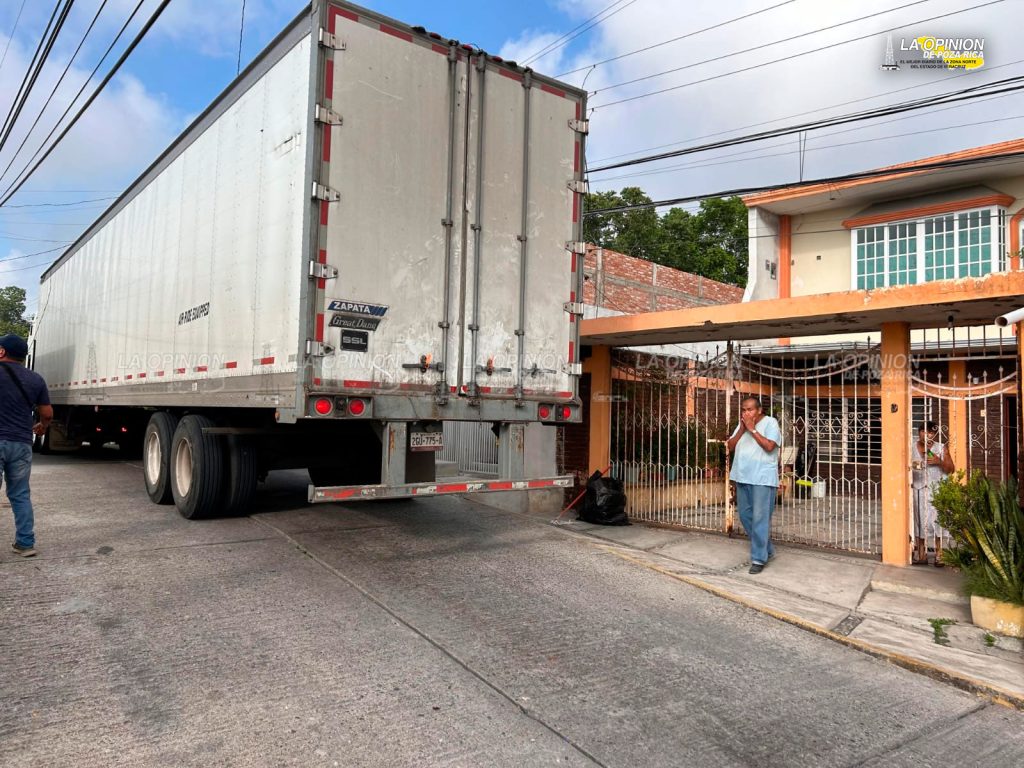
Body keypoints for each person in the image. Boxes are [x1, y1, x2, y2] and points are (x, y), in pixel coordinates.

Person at [0, 334, 52, 557]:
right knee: (20, 494)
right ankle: (25, 543)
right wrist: (42, 426)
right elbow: (47, 413)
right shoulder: (36, 379)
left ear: (2, 352)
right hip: (21, 443)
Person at [726, 396, 782, 574]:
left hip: (762, 479)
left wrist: (752, 430)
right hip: (743, 476)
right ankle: (768, 549)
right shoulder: (742, 425)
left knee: (760, 518)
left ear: (759, 410)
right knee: (744, 516)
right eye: (743, 409)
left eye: (749, 409)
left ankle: (758, 558)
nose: (746, 413)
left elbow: (770, 446)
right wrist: (743, 429)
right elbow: (730, 445)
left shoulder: (770, 423)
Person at [911, 421, 954, 567]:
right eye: (923, 431)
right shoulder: (911, 446)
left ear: (934, 434)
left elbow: (951, 469)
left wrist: (939, 461)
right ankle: (922, 556)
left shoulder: (941, 448)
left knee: (938, 522)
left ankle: (939, 556)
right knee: (920, 522)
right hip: (918, 489)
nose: (926, 434)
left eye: (930, 432)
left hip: (937, 490)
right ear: (919, 432)